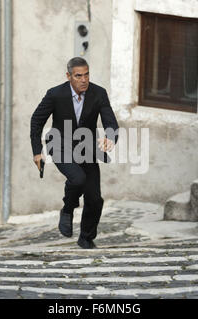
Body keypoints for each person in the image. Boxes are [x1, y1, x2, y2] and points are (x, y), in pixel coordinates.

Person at [30, 57, 119, 249]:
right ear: (68, 76)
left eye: (87, 74)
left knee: (95, 198)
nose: (84, 80)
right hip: (59, 145)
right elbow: (36, 121)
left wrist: (109, 137)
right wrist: (37, 152)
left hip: (86, 148)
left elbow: (110, 122)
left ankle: (86, 237)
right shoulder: (55, 94)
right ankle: (68, 209)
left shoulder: (98, 94)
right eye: (79, 76)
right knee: (78, 179)